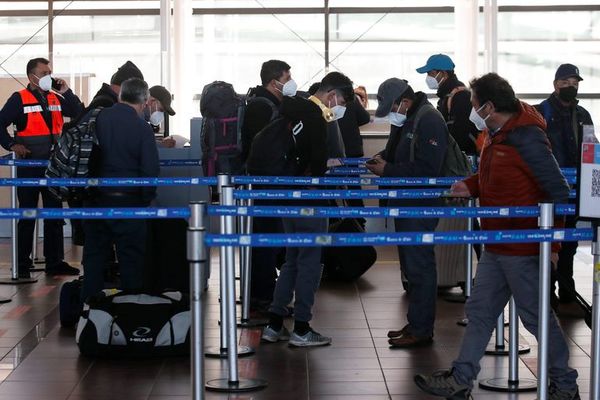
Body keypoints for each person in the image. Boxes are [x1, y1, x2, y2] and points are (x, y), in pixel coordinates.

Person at [414, 73, 579, 400]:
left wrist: (554, 245)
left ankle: (565, 386)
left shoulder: (527, 137)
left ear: (489, 106)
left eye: (474, 104)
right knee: (480, 312)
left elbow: (558, 190)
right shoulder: (497, 133)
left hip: (522, 247)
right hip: (496, 244)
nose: (471, 110)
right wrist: (470, 185)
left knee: (536, 321)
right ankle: (461, 380)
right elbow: (493, 175)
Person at [261, 71, 354, 347]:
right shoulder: (319, 115)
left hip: (287, 193)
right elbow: (324, 159)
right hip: (310, 197)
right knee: (310, 260)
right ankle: (302, 327)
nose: (342, 107)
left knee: (292, 258)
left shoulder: (292, 110)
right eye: (343, 101)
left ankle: (274, 323)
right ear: (331, 95)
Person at [365, 78, 448, 348]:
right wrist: (382, 158)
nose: (390, 114)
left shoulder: (429, 120)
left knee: (420, 267)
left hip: (419, 203)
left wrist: (387, 170)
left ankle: (422, 329)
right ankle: (415, 323)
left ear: (405, 101)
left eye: (392, 108)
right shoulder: (407, 120)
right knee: (411, 268)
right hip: (405, 202)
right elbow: (401, 154)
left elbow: (428, 169)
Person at [0, 57, 84, 278]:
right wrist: (11, 144)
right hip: (28, 166)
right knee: (27, 215)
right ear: (32, 76)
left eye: (50, 72)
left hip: (54, 165)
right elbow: (0, 123)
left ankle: (55, 262)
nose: (49, 76)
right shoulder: (19, 99)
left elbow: (78, 112)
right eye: (45, 72)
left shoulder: (55, 97)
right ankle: (22, 264)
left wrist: (66, 91)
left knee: (54, 214)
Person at [81, 78, 159, 301]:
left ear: (119, 96)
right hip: (130, 203)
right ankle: (129, 309)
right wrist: (145, 199)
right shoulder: (142, 128)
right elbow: (150, 170)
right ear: (144, 101)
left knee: (94, 257)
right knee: (131, 259)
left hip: (95, 200)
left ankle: (91, 312)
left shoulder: (97, 118)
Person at [535, 63, 596, 315]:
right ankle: (547, 292)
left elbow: (591, 147)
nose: (570, 87)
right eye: (565, 83)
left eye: (575, 83)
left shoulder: (582, 114)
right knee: (548, 240)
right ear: (555, 84)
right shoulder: (540, 112)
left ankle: (566, 290)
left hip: (575, 188)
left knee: (569, 242)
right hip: (547, 189)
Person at [68, 60, 144, 246]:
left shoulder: (103, 101)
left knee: (99, 239)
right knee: (98, 239)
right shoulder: (105, 105)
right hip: (96, 184)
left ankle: (102, 272)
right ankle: (100, 273)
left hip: (94, 183)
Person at [241, 60, 294, 313]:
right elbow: (264, 147)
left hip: (267, 179)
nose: (291, 81)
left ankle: (265, 291)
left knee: (270, 237)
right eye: (288, 76)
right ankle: (263, 295)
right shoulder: (262, 107)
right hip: (266, 181)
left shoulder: (264, 103)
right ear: (275, 82)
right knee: (266, 239)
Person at [416, 53, 480, 157]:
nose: (428, 77)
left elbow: (461, 133)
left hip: (462, 157)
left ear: (443, 73)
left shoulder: (461, 96)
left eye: (430, 73)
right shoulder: (446, 96)